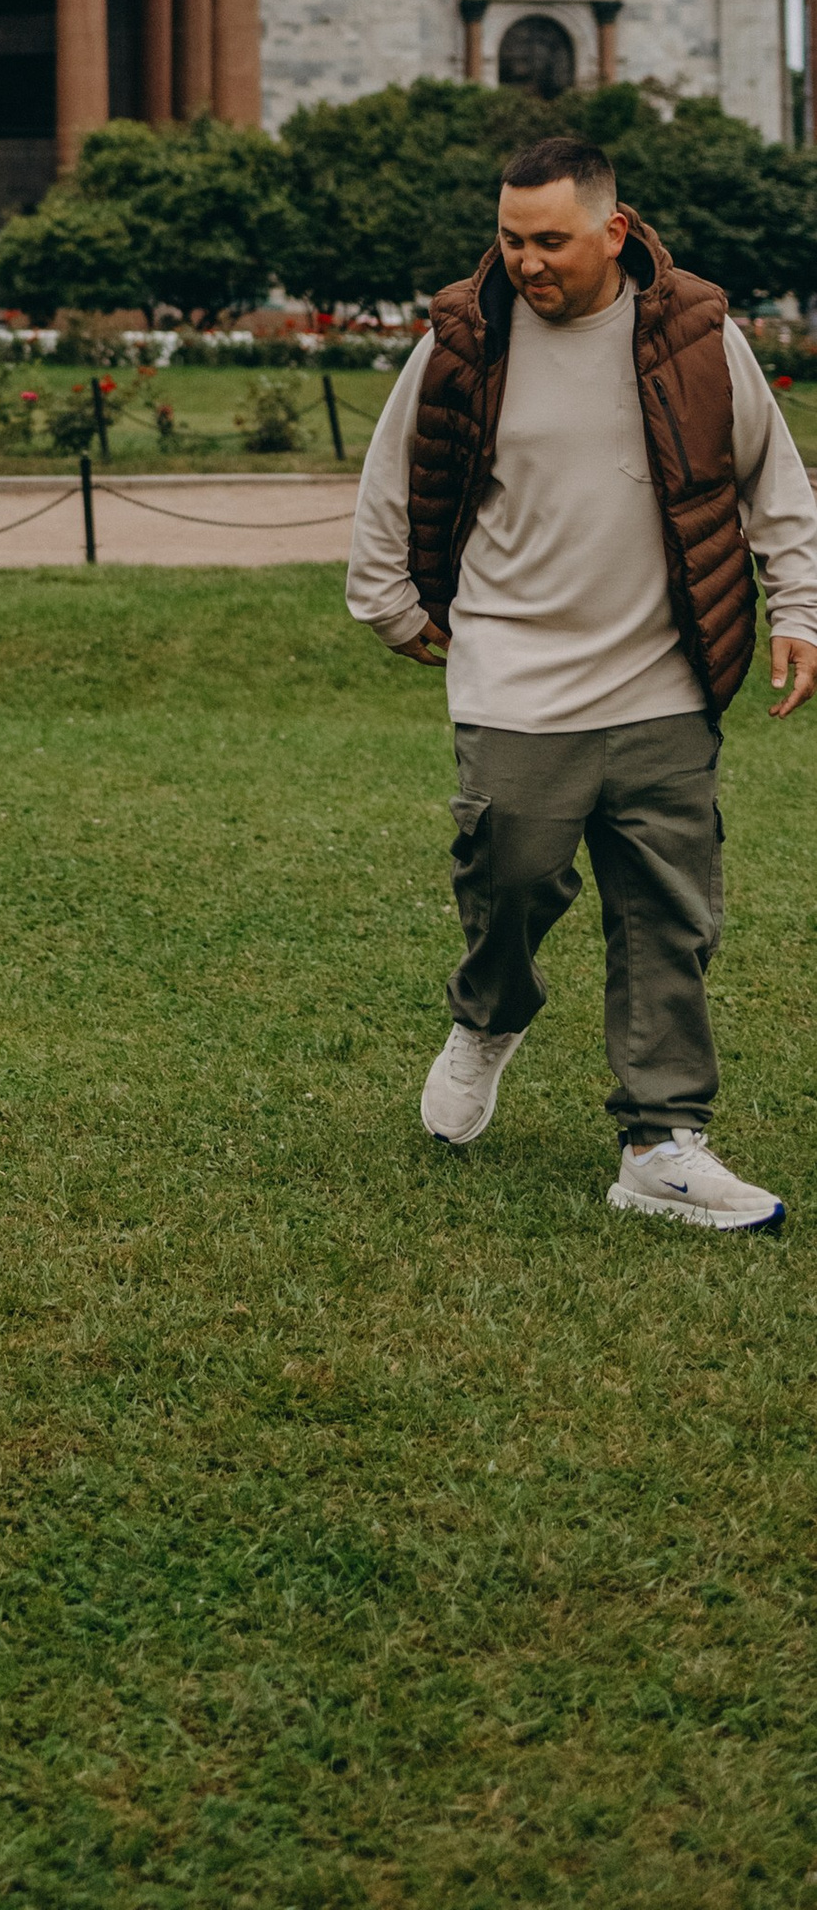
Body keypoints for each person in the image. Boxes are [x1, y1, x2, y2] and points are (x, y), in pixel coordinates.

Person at [347, 136, 817, 1229]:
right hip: (515, 675)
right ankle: (489, 1013)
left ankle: (660, 1143)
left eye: (550, 240)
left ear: (613, 231)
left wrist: (798, 609)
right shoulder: (464, 342)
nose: (525, 262)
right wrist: (388, 603)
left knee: (667, 917)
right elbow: (391, 475)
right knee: (510, 875)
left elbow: (774, 484)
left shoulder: (698, 336)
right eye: (511, 239)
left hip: (665, 678)